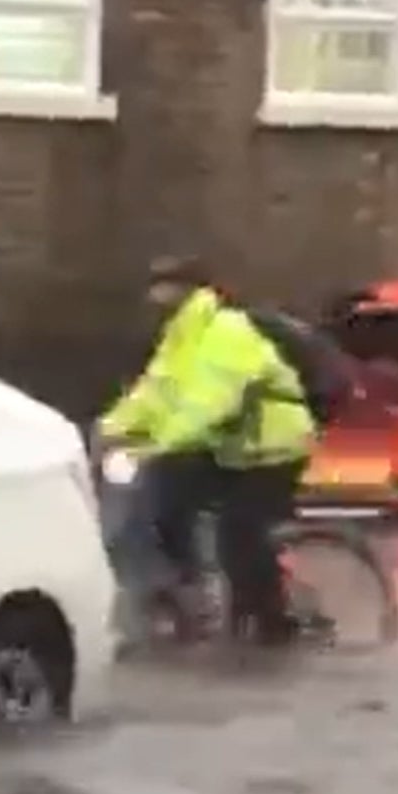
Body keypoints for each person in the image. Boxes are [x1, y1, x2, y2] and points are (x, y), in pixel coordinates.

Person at [98, 257, 316, 645]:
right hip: (229, 446)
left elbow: (210, 402)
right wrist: (110, 428)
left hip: (273, 448)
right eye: (153, 286)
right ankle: (186, 594)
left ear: (188, 290)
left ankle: (273, 620)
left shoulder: (226, 331)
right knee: (161, 502)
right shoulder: (180, 336)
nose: (154, 296)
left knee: (240, 530)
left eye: (164, 286)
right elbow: (155, 391)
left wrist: (159, 444)